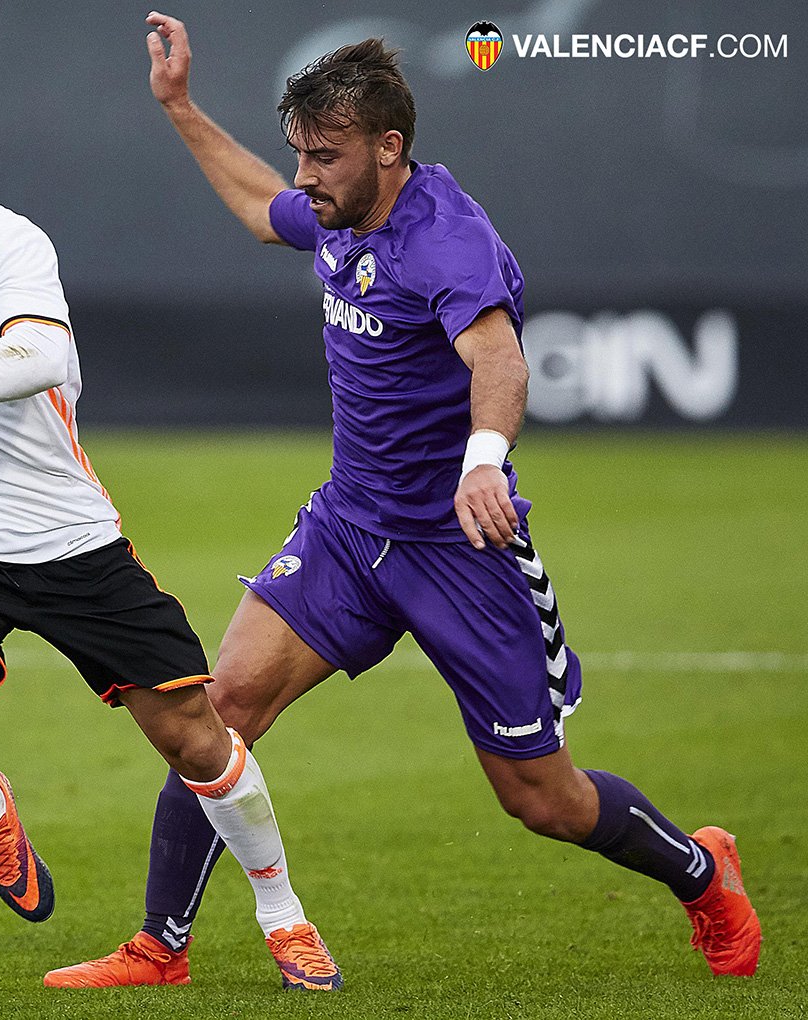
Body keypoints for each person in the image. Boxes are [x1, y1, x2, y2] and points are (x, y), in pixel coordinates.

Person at [41, 13, 762, 988]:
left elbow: (497, 357)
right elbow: (263, 209)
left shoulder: (445, 241)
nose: (306, 177)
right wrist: (179, 106)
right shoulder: (339, 209)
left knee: (541, 799)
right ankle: (159, 946)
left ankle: (701, 871)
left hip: (459, 548)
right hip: (349, 530)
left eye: (325, 157)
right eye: (301, 153)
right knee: (220, 708)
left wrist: (483, 460)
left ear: (390, 148)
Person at [0, 79, 342, 992]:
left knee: (197, 742)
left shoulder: (8, 243)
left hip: (67, 540)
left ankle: (284, 918)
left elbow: (41, 354)